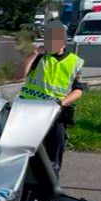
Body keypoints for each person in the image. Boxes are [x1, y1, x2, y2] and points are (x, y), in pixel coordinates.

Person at [17, 22, 85, 175]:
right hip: (30, 112)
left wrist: (62, 103)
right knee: (26, 152)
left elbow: (78, 90)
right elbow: (19, 75)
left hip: (55, 115)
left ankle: (51, 184)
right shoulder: (39, 57)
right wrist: (34, 54)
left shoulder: (74, 62)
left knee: (54, 152)